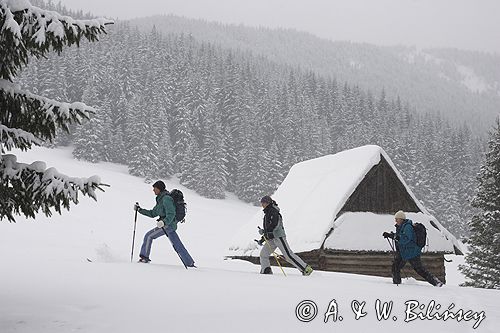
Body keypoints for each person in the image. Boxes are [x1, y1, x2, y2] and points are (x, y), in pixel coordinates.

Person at [134, 180, 195, 267]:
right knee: (177, 244)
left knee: (149, 236)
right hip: (169, 225)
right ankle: (189, 263)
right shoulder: (160, 199)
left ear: (159, 189)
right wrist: (140, 210)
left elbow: (171, 213)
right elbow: (153, 213)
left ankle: (144, 258)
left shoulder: (166, 199)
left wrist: (164, 222)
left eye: (154, 188)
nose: (153, 190)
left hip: (167, 225)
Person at [383, 210, 443, 286]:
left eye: (397, 219)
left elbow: (405, 239)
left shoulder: (407, 227)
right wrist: (389, 235)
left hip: (411, 252)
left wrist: (393, 236)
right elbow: (400, 236)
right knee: (396, 266)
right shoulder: (402, 226)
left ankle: (436, 282)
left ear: (401, 219)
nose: (395, 220)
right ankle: (396, 284)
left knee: (419, 269)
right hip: (405, 252)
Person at [258, 195, 313, 276]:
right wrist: (263, 237)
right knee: (263, 254)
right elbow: (268, 229)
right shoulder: (267, 213)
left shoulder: (273, 211)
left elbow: (276, 224)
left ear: (268, 203)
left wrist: (269, 233)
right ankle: (266, 270)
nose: (262, 204)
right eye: (261, 203)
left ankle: (305, 269)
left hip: (278, 237)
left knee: (288, 255)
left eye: (263, 203)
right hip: (271, 239)